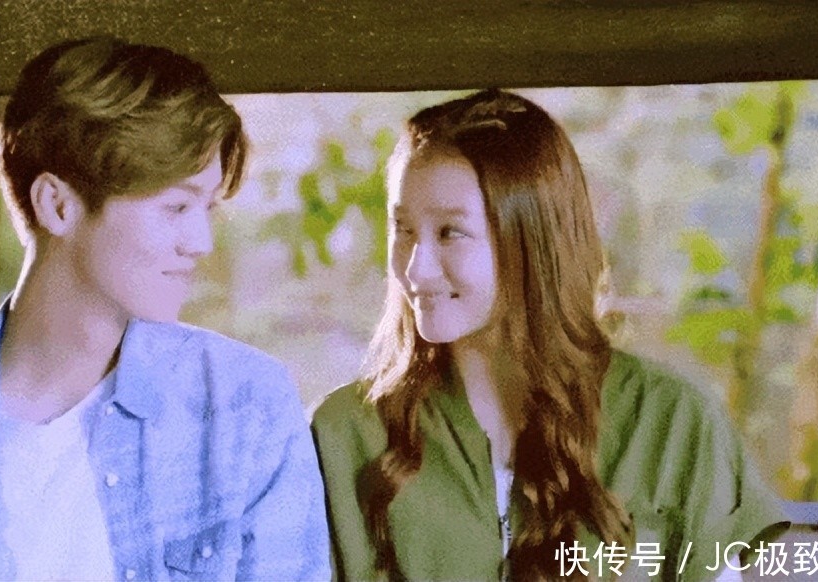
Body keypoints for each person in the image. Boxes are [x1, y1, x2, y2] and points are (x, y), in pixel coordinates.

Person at [0, 37, 329, 581]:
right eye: (176, 207)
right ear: (58, 206)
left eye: (206, 207)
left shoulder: (246, 406)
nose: (201, 242)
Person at [311, 89, 788, 581]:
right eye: (404, 229)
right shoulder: (344, 435)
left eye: (450, 232)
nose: (416, 269)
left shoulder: (673, 422)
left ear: (532, 239)